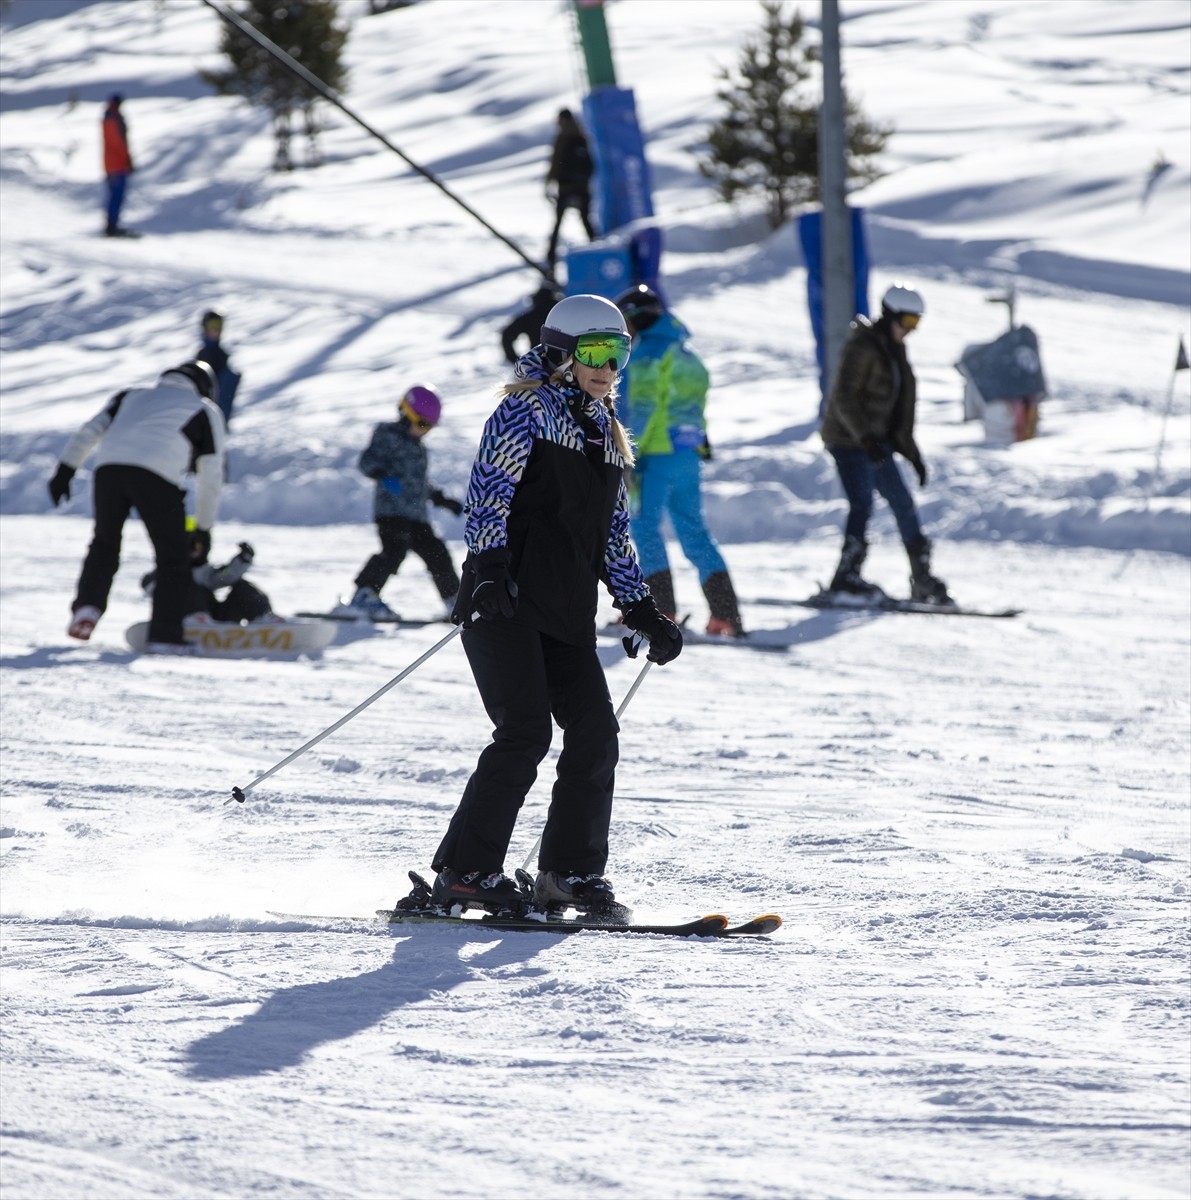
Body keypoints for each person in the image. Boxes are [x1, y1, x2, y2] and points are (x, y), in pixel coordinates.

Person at [403, 294, 683, 918]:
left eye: (619, 353)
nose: (608, 367)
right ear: (561, 353)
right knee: (524, 732)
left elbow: (612, 535)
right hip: (502, 601)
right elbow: (488, 493)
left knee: (595, 732)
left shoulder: (608, 433)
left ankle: (569, 875)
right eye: (595, 352)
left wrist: (640, 608)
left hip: (565, 612)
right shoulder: (523, 410)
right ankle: (465, 871)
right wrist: (490, 569)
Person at [48, 361, 227, 652]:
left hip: (108, 471)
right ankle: (165, 636)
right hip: (158, 478)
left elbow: (90, 431)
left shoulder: (130, 396)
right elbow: (211, 477)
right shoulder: (205, 408)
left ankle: (87, 608)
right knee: (173, 558)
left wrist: (65, 470)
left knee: (104, 543)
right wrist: (203, 530)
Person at [615, 284, 746, 637]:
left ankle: (662, 611)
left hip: (656, 455)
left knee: (644, 529)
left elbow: (645, 408)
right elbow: (692, 405)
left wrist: (628, 453)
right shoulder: (684, 351)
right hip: (687, 455)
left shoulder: (648, 353)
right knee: (693, 531)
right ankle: (725, 614)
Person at [819, 283, 952, 604]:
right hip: (848, 441)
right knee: (862, 503)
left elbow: (898, 411)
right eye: (907, 323)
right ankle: (846, 576)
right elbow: (843, 399)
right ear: (891, 316)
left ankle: (921, 577)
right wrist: (864, 438)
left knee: (903, 504)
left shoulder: (893, 349)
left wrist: (912, 454)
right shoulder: (862, 347)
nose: (910, 331)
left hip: (874, 443)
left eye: (915, 324)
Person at [340, 384, 463, 620]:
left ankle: (454, 600)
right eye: (422, 424)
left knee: (437, 552)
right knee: (394, 550)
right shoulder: (386, 434)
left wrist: (440, 499)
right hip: (391, 511)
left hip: (417, 515)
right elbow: (366, 462)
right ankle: (364, 595)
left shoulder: (419, 449)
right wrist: (382, 474)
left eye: (429, 427)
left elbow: (420, 483)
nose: (425, 431)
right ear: (406, 413)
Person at [141, 531, 272, 624]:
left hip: (213, 619)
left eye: (198, 546)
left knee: (242, 587)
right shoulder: (169, 572)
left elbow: (226, 575)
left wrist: (242, 559)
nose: (195, 551)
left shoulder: (205, 571)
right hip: (182, 620)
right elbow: (149, 586)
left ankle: (263, 618)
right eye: (191, 545)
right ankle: (196, 619)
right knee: (191, 589)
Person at [545, 108, 596, 270]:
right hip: (582, 189)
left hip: (566, 188)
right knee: (586, 220)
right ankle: (596, 248)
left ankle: (551, 256)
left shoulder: (564, 138)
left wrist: (549, 184)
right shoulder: (581, 137)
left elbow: (555, 164)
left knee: (558, 223)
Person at [197, 311, 242, 426]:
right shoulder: (201, 355)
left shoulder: (221, 356)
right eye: (212, 325)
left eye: (219, 325)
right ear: (204, 327)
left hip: (217, 415)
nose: (216, 329)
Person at [500, 282, 563, 364]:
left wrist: (515, 359)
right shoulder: (562, 315)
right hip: (564, 363)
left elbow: (507, 334)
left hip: (538, 364)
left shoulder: (531, 316)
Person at [101, 93, 135, 238]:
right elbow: (119, 143)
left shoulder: (109, 117)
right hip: (117, 165)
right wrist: (127, 160)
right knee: (116, 196)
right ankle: (111, 227)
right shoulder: (113, 119)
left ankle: (111, 225)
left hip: (112, 164)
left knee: (115, 195)